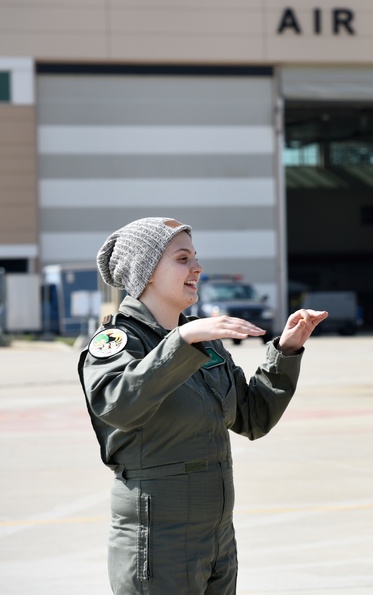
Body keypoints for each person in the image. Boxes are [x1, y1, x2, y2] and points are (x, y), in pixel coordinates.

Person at [78, 217, 328, 595]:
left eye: (195, 257)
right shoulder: (117, 342)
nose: (197, 267)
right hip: (157, 538)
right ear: (145, 273)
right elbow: (119, 405)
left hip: (217, 537)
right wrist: (181, 342)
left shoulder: (203, 340)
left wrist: (286, 351)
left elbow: (253, 417)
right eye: (182, 259)